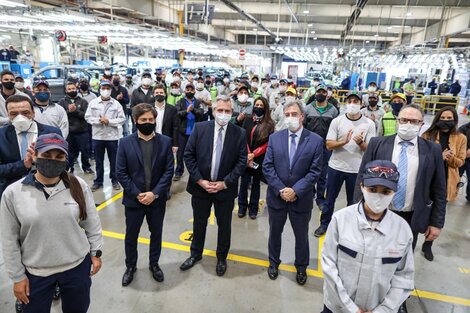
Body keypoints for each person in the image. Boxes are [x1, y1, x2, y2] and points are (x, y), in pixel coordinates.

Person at [356, 104, 447, 313]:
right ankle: (370, 295)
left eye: (414, 122)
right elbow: (361, 178)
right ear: (397, 121)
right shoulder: (378, 144)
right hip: (378, 213)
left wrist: (436, 222)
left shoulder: (432, 150)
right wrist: (357, 210)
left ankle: (397, 301)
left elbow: (439, 189)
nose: (408, 125)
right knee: (371, 256)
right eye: (404, 120)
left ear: (421, 125)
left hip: (410, 217)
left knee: (401, 262)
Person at [1, 133, 102, 313]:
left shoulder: (78, 185)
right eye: (46, 156)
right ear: (34, 156)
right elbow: (9, 239)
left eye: (59, 156)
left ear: (66, 158)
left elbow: (92, 223)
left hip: (76, 268)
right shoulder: (14, 193)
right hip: (36, 273)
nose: (52, 160)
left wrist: (95, 252)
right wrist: (17, 277)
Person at [322, 160, 414, 313]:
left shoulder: (402, 230)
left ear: (394, 192)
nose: (378, 196)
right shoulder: (341, 219)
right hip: (338, 307)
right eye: (372, 189)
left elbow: (404, 277)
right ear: (362, 187)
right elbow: (329, 265)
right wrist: (351, 308)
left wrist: (383, 310)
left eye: (386, 192)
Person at [180, 96, 247, 276]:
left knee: (224, 225)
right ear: (213, 111)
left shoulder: (239, 133)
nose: (223, 114)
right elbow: (189, 155)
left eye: (227, 111)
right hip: (200, 188)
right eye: (220, 110)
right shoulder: (200, 128)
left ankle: (221, 258)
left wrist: (225, 183)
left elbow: (241, 162)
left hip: (225, 189)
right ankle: (195, 254)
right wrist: (200, 180)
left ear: (232, 113)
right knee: (199, 223)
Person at [263, 100, 323, 285]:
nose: (290, 118)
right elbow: (267, 167)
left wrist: (295, 190)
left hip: (301, 199)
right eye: (287, 114)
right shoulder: (275, 138)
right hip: (277, 197)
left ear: (302, 117)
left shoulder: (315, 140)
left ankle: (301, 267)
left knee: (301, 236)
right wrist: (281, 189)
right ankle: (273, 262)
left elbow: (315, 171)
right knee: (274, 232)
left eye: (294, 114)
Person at [116, 103, 174, 286]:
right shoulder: (125, 143)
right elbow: (121, 172)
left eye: (151, 119)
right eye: (143, 120)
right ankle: (130, 266)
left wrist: (155, 194)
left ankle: (154, 264)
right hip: (135, 201)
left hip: (156, 200)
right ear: (135, 121)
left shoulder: (165, 141)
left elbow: (168, 171)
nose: (148, 122)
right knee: (131, 235)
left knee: (156, 233)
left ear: (155, 120)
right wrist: (138, 194)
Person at [314, 92, 376, 237]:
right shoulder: (337, 121)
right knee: (329, 199)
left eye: (356, 101)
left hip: (357, 170)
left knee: (353, 202)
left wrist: (360, 142)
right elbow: (329, 145)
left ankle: (350, 229)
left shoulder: (369, 124)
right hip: (336, 167)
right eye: (350, 101)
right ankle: (324, 224)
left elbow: (370, 150)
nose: (352, 104)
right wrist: (344, 142)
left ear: (361, 104)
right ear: (346, 103)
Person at [421, 106, 466, 261]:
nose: (446, 121)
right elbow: (421, 160)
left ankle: (428, 245)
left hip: (445, 182)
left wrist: (450, 158)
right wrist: (439, 157)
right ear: (437, 119)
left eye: (449, 119)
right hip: (427, 180)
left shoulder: (461, 138)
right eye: (443, 118)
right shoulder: (427, 135)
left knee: (437, 216)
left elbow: (460, 162)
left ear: (454, 120)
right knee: (419, 212)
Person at [0, 94, 62, 196]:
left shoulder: (52, 133)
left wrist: (42, 161)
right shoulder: (1, 135)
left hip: (47, 189)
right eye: (14, 114)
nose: (20, 117)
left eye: (25, 113)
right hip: (12, 191)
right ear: (8, 115)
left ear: (33, 113)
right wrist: (23, 164)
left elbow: (64, 163)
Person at [236, 96, 274, 219]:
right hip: (245, 157)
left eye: (261, 106)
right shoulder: (247, 120)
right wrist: (248, 154)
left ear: (265, 108)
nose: (258, 108)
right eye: (256, 105)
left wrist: (254, 154)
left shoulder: (269, 124)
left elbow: (268, 142)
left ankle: (253, 209)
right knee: (244, 182)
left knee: (256, 184)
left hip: (259, 158)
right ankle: (242, 207)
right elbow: (242, 137)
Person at [304, 85, 339, 214]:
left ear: (327, 94)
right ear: (315, 93)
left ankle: (320, 198)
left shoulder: (333, 110)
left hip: (325, 146)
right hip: (310, 145)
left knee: (323, 174)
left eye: (323, 92)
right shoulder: (307, 108)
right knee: (308, 170)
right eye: (319, 91)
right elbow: (303, 127)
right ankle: (309, 193)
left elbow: (336, 128)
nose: (321, 94)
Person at [85, 80, 125, 191]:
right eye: (103, 88)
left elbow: (122, 119)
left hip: (112, 137)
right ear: (100, 89)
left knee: (114, 161)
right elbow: (87, 117)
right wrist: (99, 120)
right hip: (97, 137)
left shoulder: (116, 104)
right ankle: (98, 181)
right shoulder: (93, 103)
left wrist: (109, 121)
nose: (105, 91)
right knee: (98, 161)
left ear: (111, 90)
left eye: (108, 88)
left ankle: (115, 180)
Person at [58, 82, 93, 175]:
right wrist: (69, 111)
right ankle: (69, 167)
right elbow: (60, 116)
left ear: (76, 89)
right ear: (66, 91)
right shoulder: (62, 102)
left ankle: (86, 167)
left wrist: (75, 111)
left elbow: (86, 115)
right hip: (68, 132)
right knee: (69, 152)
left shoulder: (83, 101)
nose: (71, 90)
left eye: (73, 88)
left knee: (85, 151)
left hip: (82, 131)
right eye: (69, 89)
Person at [173, 83, 204, 181]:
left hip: (195, 133)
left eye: (191, 90)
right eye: (188, 90)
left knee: (196, 154)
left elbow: (201, 113)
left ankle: (196, 172)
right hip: (183, 132)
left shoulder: (198, 102)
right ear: (184, 91)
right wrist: (186, 111)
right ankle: (179, 171)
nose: (189, 91)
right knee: (180, 154)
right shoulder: (180, 101)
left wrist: (193, 109)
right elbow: (177, 114)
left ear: (194, 91)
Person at [152, 84, 179, 154]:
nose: (159, 94)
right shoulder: (149, 108)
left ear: (165, 94)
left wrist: (175, 144)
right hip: (151, 139)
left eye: (161, 93)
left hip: (167, 140)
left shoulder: (172, 109)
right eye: (157, 93)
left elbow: (175, 127)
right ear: (153, 94)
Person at [458, 121, 470, 202]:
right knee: (456, 176)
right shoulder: (463, 128)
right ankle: (451, 192)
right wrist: (464, 151)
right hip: (461, 157)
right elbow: (457, 142)